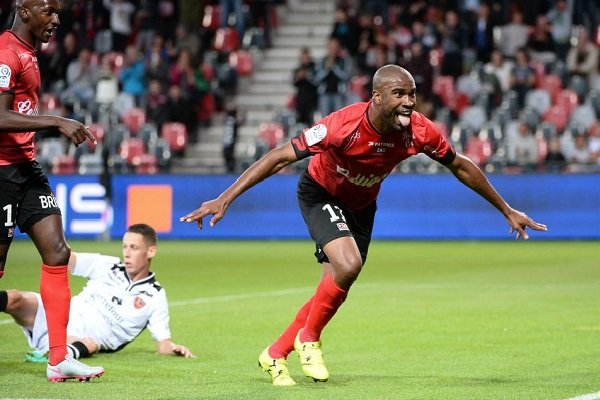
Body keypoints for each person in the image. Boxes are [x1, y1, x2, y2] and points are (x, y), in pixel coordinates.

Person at [180, 64, 548, 386]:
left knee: (334, 284)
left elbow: (461, 166)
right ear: (377, 97)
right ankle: (309, 339)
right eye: (399, 94)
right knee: (349, 264)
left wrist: (506, 209)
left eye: (412, 94)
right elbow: (279, 157)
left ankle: (275, 354)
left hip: (361, 207)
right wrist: (225, 197)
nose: (409, 102)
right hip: (320, 193)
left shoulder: (419, 131)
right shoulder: (342, 125)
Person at [0, 0, 104, 382]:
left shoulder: (28, 53)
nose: (56, 20)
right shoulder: (6, 53)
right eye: (49, 11)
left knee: (58, 252)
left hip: (27, 169)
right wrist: (57, 122)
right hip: (2, 173)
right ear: (24, 11)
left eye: (57, 12)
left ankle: (58, 359)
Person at [1, 223, 195, 362]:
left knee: (91, 344)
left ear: (150, 251)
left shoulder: (155, 296)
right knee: (15, 298)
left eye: (134, 248)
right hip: (56, 316)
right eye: (125, 246)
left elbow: (163, 344)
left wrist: (173, 349)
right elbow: (64, 258)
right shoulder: (108, 265)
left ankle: (54, 355)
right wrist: (44, 235)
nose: (127, 253)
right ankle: (52, 351)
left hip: (78, 340)